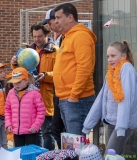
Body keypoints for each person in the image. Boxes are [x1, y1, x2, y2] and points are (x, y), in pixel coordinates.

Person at [82, 41, 137, 154]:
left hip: (123, 123)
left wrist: (121, 126)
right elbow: (101, 99)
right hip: (112, 122)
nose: (109, 59)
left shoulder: (127, 69)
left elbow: (126, 100)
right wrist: (88, 124)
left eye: (113, 56)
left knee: (109, 155)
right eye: (108, 56)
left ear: (123, 56)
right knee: (115, 155)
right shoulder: (111, 72)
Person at [11, 23, 57, 150]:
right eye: (35, 36)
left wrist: (46, 76)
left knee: (47, 132)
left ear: (47, 35)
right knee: (33, 133)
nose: (37, 39)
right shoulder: (27, 51)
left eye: (40, 36)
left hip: (46, 97)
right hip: (28, 100)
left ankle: (48, 156)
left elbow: (61, 73)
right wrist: (14, 65)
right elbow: (19, 74)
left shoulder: (55, 51)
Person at [53, 3, 97, 135]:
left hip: (76, 100)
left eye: (58, 17)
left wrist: (74, 95)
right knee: (72, 143)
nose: (56, 21)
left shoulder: (80, 36)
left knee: (76, 144)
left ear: (70, 17)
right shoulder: (68, 36)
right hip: (67, 98)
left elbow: (84, 68)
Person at [40, 8, 65, 149]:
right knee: (54, 130)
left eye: (49, 23)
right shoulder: (61, 38)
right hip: (56, 93)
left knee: (54, 130)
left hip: (61, 94)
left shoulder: (55, 47)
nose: (49, 26)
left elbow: (59, 70)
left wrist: (47, 75)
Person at [5, 67, 45, 147]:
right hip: (17, 131)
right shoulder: (11, 93)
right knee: (19, 152)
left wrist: (35, 126)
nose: (16, 85)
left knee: (31, 153)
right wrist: (8, 124)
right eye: (14, 82)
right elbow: (7, 109)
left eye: (19, 82)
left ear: (26, 80)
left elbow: (41, 111)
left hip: (31, 131)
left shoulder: (35, 93)